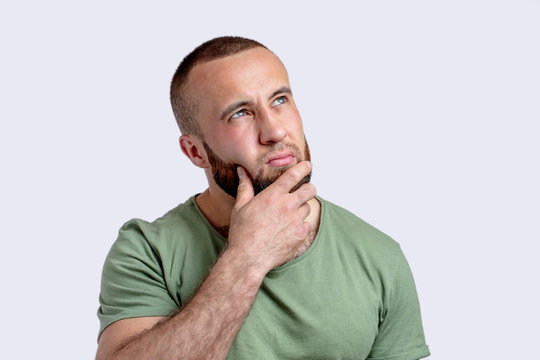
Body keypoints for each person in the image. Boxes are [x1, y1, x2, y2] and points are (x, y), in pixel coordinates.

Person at [96, 36, 430, 360]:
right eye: (240, 113)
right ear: (196, 151)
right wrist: (246, 257)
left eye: (280, 100)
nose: (275, 132)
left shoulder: (379, 256)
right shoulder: (147, 250)